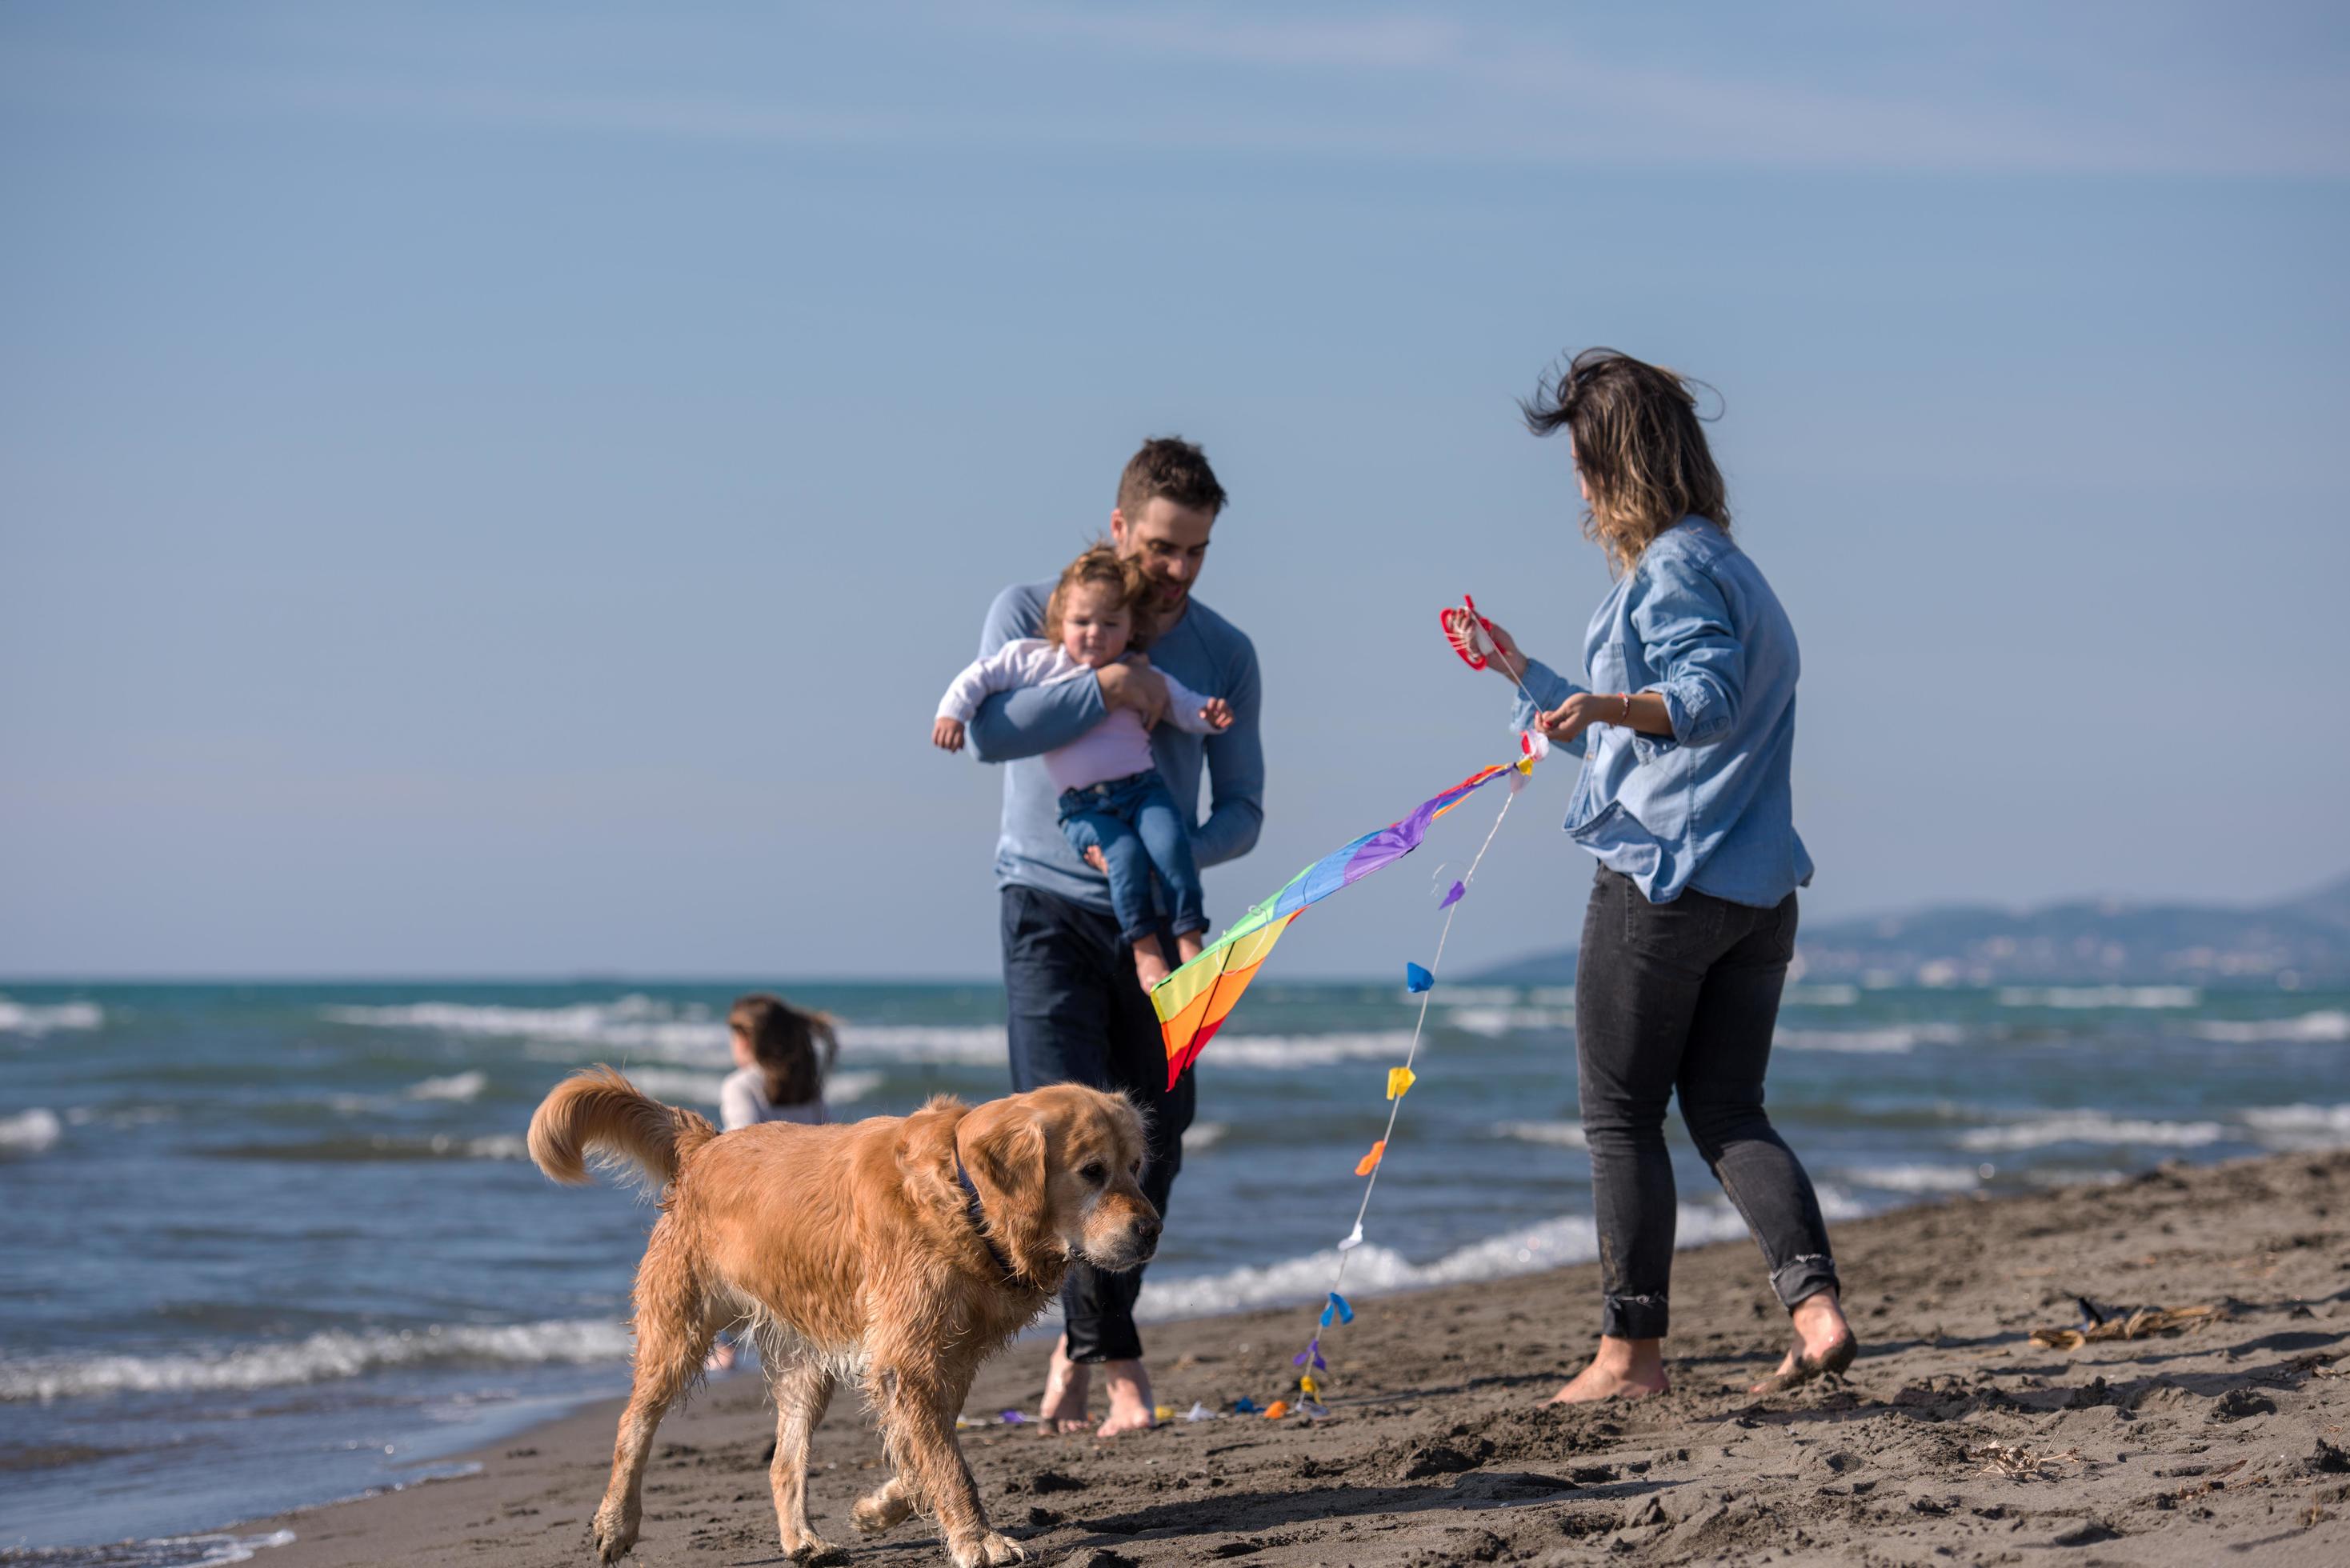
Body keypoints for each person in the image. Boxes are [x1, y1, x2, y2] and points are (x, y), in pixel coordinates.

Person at [1448, 348, 1853, 1403]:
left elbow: (1702, 701)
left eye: (1583, 460)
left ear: (1619, 463)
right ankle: (1816, 1311)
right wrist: (1526, 676)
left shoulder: (1672, 567)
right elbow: (1641, 738)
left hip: (1666, 886)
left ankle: (1630, 1358)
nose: (1576, 483)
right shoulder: (1729, 564)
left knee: (1620, 1117)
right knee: (1727, 1108)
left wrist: (1608, 705)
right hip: (1756, 893)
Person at [963, 436, 1263, 1436]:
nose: (1176, 571)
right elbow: (996, 734)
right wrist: (1112, 685)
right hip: (1044, 910)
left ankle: (1084, 1338)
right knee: (1062, 1149)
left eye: (1198, 552)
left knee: (1157, 1148)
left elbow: (1245, 811)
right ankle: (1118, 1363)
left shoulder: (1225, 653)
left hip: (1163, 926)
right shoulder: (1032, 613)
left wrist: (1159, 857)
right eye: (1164, 546)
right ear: (1120, 527)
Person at [935, 546, 1234, 990]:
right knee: (1126, 858)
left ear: (1131, 627)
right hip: (1084, 807)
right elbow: (981, 675)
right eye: (1081, 623)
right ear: (1060, 623)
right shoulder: (1037, 661)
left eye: (1110, 624)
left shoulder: (1138, 671)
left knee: (1173, 846)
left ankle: (1190, 936)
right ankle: (1145, 950)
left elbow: (1180, 704)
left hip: (1143, 790)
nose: (1095, 634)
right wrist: (952, 714)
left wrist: (1206, 715)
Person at [707, 992, 840, 1371]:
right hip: (809, 1206)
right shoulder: (809, 1090)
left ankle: (723, 1345)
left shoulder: (742, 1086)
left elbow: (743, 1149)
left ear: (747, 1040)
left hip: (763, 1205)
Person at [718, 992, 838, 1132]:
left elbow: (742, 1146)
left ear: (744, 1040)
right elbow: (830, 1137)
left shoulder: (739, 1086)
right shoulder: (807, 1088)